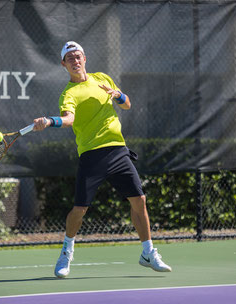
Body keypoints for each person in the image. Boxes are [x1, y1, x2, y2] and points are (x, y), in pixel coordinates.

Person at [32, 41, 172, 278]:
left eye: (78, 56)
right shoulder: (69, 93)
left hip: (118, 150)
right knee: (80, 209)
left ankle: (148, 252)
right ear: (63, 64)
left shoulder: (103, 79)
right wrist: (49, 121)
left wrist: (118, 95)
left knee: (139, 200)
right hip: (91, 154)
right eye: (70, 58)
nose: (75, 61)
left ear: (84, 58)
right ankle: (67, 251)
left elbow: (127, 104)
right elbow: (68, 119)